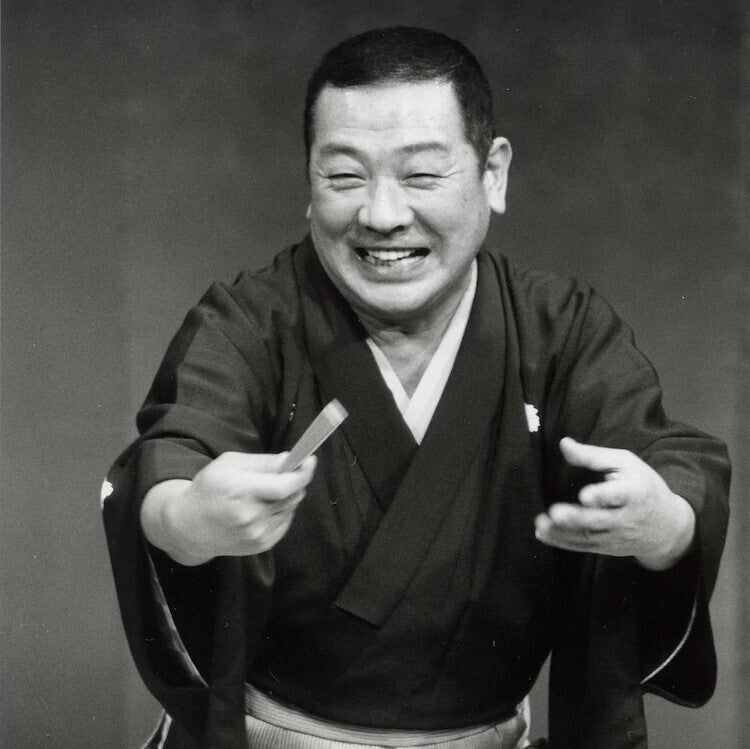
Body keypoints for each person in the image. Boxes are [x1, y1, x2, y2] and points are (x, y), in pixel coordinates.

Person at [102, 26, 730, 749]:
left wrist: (662, 525)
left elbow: (670, 463)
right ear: (308, 182)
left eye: (422, 175)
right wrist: (190, 521)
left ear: (493, 173)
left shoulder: (561, 332)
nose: (381, 214)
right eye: (345, 177)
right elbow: (172, 458)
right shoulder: (250, 324)